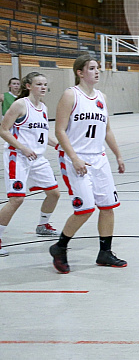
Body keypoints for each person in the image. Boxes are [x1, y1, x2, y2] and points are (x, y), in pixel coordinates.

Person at [48, 55, 127, 274]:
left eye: (98, 68)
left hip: (98, 159)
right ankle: (60, 247)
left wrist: (118, 155)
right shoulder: (70, 95)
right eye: (92, 68)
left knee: (108, 207)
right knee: (85, 209)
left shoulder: (102, 97)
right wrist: (73, 156)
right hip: (76, 158)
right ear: (80, 73)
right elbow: (59, 130)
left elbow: (107, 130)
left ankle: (105, 253)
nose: (97, 71)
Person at [0, 73, 61, 257]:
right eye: (39, 84)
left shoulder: (43, 107)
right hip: (17, 155)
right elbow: (3, 130)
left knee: (54, 193)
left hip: (37, 158)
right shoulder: (20, 105)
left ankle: (43, 225)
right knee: (17, 199)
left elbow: (41, 135)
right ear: (28, 86)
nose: (43, 87)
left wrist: (59, 145)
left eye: (45, 84)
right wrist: (23, 148)